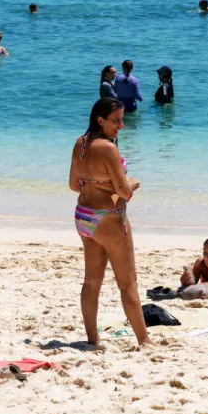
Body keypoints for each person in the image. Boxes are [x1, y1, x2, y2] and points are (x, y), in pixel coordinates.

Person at [69, 98, 149, 346]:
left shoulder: (81, 144)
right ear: (100, 120)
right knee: (127, 283)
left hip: (84, 216)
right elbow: (124, 191)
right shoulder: (108, 149)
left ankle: (93, 339)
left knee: (91, 282)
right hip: (108, 218)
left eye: (122, 119)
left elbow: (73, 185)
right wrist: (134, 181)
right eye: (116, 120)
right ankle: (144, 340)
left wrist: (98, 183)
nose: (121, 125)